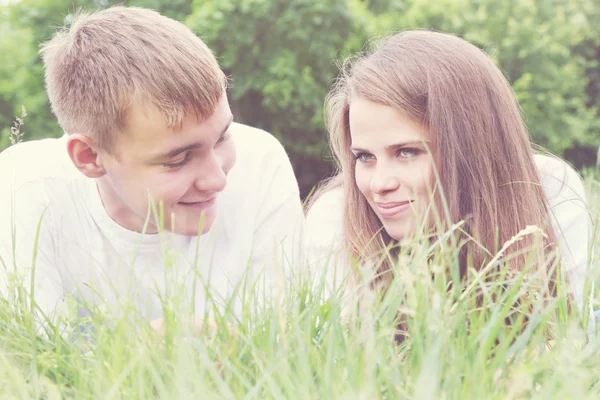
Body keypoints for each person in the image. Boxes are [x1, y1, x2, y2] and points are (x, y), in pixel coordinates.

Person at [0, 6, 304, 328]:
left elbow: (283, 338)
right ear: (89, 157)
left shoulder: (260, 161)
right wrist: (137, 353)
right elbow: (31, 365)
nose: (217, 179)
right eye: (178, 159)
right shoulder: (23, 189)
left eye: (222, 137)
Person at [305, 30, 592, 316]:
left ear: (473, 146)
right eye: (365, 157)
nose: (379, 183)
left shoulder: (548, 190)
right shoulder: (335, 219)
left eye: (407, 152)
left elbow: (562, 342)